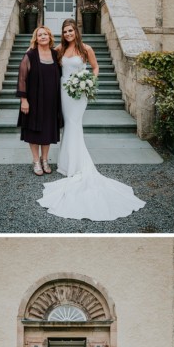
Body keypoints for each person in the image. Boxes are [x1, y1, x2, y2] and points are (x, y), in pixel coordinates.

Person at [37, 18, 146, 221]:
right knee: (68, 126)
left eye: (71, 30)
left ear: (76, 31)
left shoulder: (86, 48)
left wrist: (88, 81)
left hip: (79, 93)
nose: (68, 34)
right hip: (63, 90)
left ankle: (76, 165)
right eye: (65, 31)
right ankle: (67, 163)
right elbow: (45, 55)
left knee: (74, 124)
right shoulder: (60, 48)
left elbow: (95, 68)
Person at [17, 25, 63, 176]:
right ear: (35, 39)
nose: (43, 37)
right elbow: (22, 78)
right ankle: (36, 161)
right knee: (33, 131)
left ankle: (45, 160)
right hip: (34, 100)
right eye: (39, 35)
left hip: (51, 101)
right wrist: (24, 100)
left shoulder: (56, 54)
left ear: (50, 37)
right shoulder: (30, 55)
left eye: (45, 34)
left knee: (48, 130)